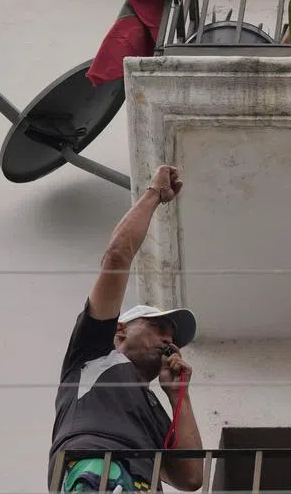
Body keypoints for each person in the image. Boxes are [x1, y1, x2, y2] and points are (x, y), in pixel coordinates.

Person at [49, 166, 204, 492]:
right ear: (119, 331)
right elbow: (117, 256)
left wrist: (179, 396)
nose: (168, 339)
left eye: (172, 336)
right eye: (158, 327)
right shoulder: (94, 352)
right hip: (94, 469)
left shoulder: (152, 409)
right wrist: (154, 194)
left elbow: (191, 478)